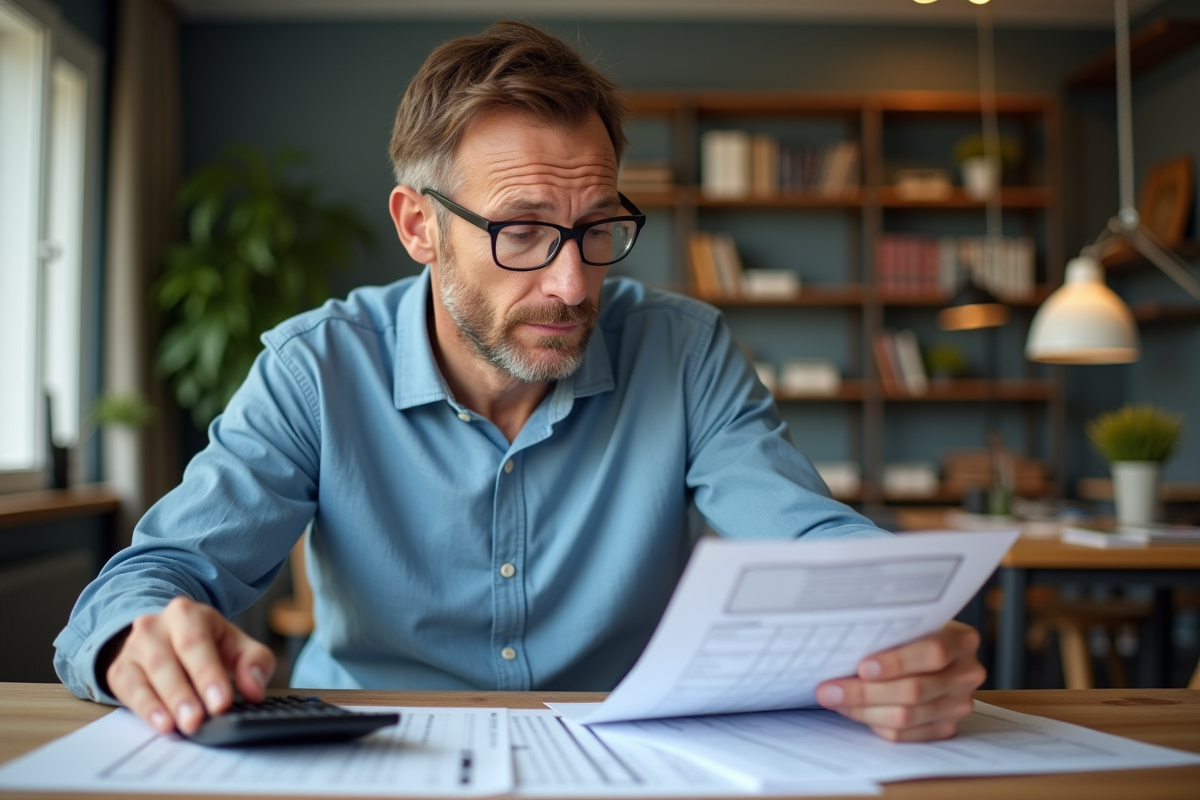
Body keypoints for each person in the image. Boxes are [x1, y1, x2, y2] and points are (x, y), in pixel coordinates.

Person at [55, 20, 983, 744]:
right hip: (368, 760)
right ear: (420, 227)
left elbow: (812, 539)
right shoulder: (318, 367)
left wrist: (897, 622)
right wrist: (142, 638)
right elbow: (157, 572)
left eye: (595, 227)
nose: (574, 283)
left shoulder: (684, 350)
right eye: (524, 231)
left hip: (624, 759)